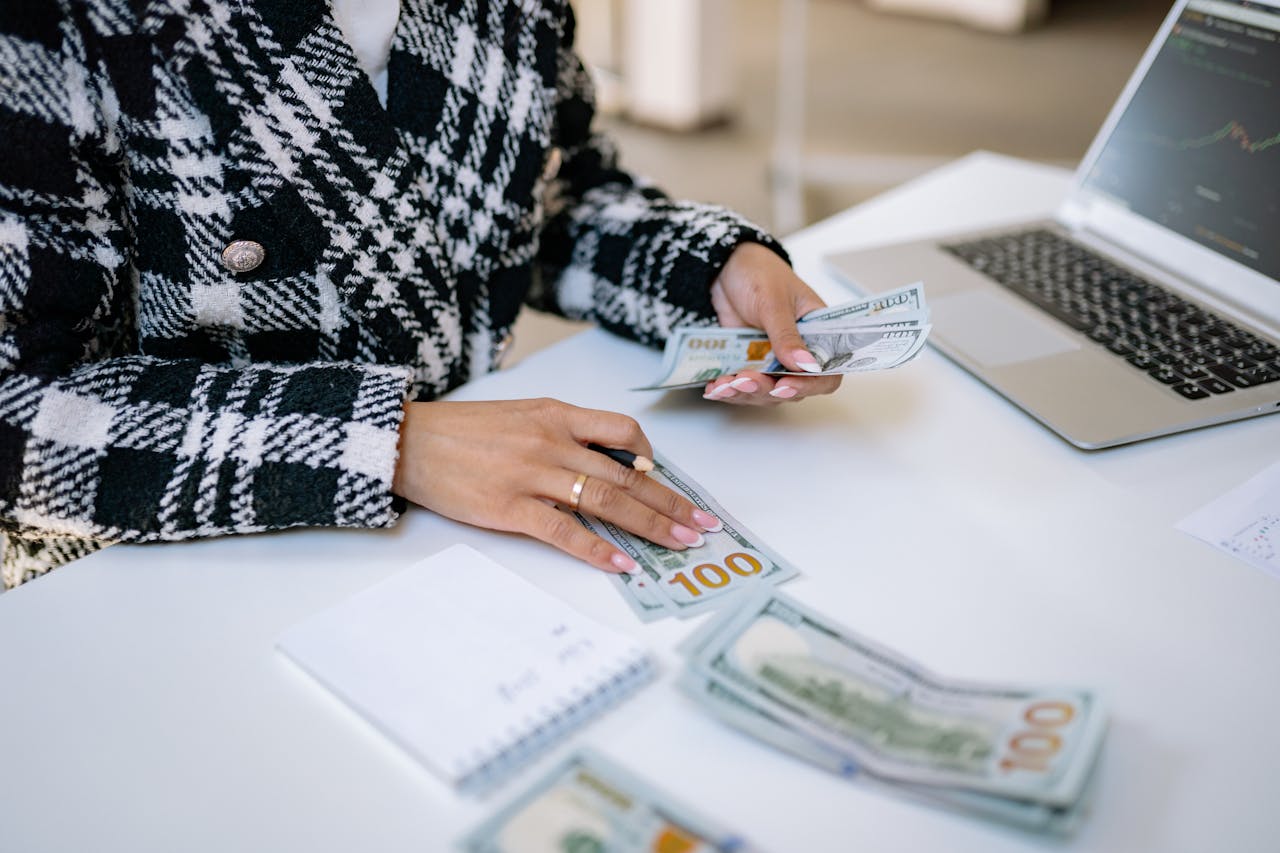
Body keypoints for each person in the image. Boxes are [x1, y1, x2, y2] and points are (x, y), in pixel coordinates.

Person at [0, 0, 841, 589]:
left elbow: (548, 199)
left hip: (449, 549)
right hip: (136, 579)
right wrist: (391, 441)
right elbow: (19, 406)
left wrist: (708, 268)